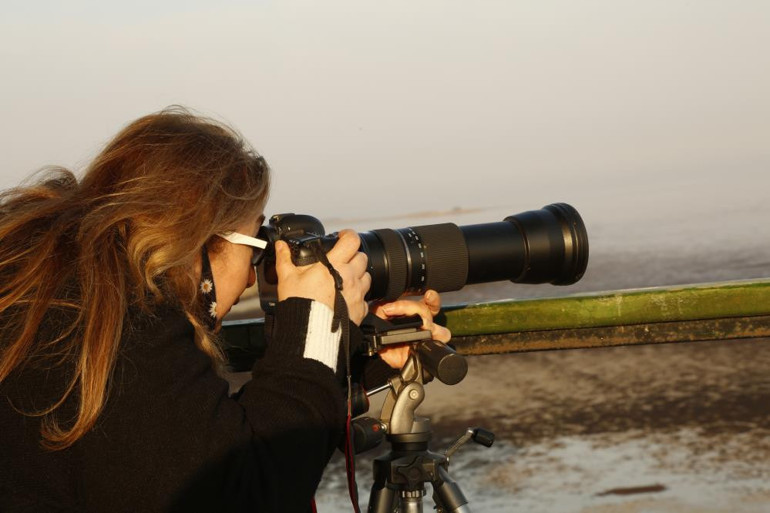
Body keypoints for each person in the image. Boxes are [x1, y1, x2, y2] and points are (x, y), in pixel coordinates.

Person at [0, 108, 451, 512]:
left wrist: (350, 353)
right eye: (256, 250)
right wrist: (313, 320)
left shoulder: (65, 303)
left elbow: (180, 439)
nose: (255, 277)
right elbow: (248, 490)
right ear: (195, 240)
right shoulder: (130, 323)